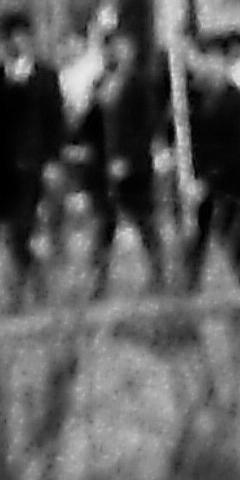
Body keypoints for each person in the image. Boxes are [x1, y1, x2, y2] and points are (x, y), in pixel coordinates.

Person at [0, 11, 69, 303]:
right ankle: (31, 282)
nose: (17, 42)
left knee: (25, 226)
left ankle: (24, 287)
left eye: (22, 36)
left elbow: (56, 120)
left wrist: (53, 159)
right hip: (3, 168)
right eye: (11, 37)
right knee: (12, 230)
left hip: (35, 165)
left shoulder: (45, 76)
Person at [88, 21, 168, 296]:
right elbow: (93, 125)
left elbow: (146, 126)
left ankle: (159, 274)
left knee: (145, 221)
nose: (114, 52)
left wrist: (128, 159)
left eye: (120, 46)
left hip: (133, 167)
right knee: (103, 226)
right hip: (103, 168)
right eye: (109, 47)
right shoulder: (100, 83)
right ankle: (99, 282)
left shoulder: (140, 83)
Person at [183, 31, 240, 304]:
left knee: (239, 245)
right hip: (200, 189)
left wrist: (207, 180)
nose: (204, 67)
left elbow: (239, 150)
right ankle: (185, 300)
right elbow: (182, 139)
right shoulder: (190, 103)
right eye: (201, 60)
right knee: (194, 245)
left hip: (232, 188)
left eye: (211, 61)